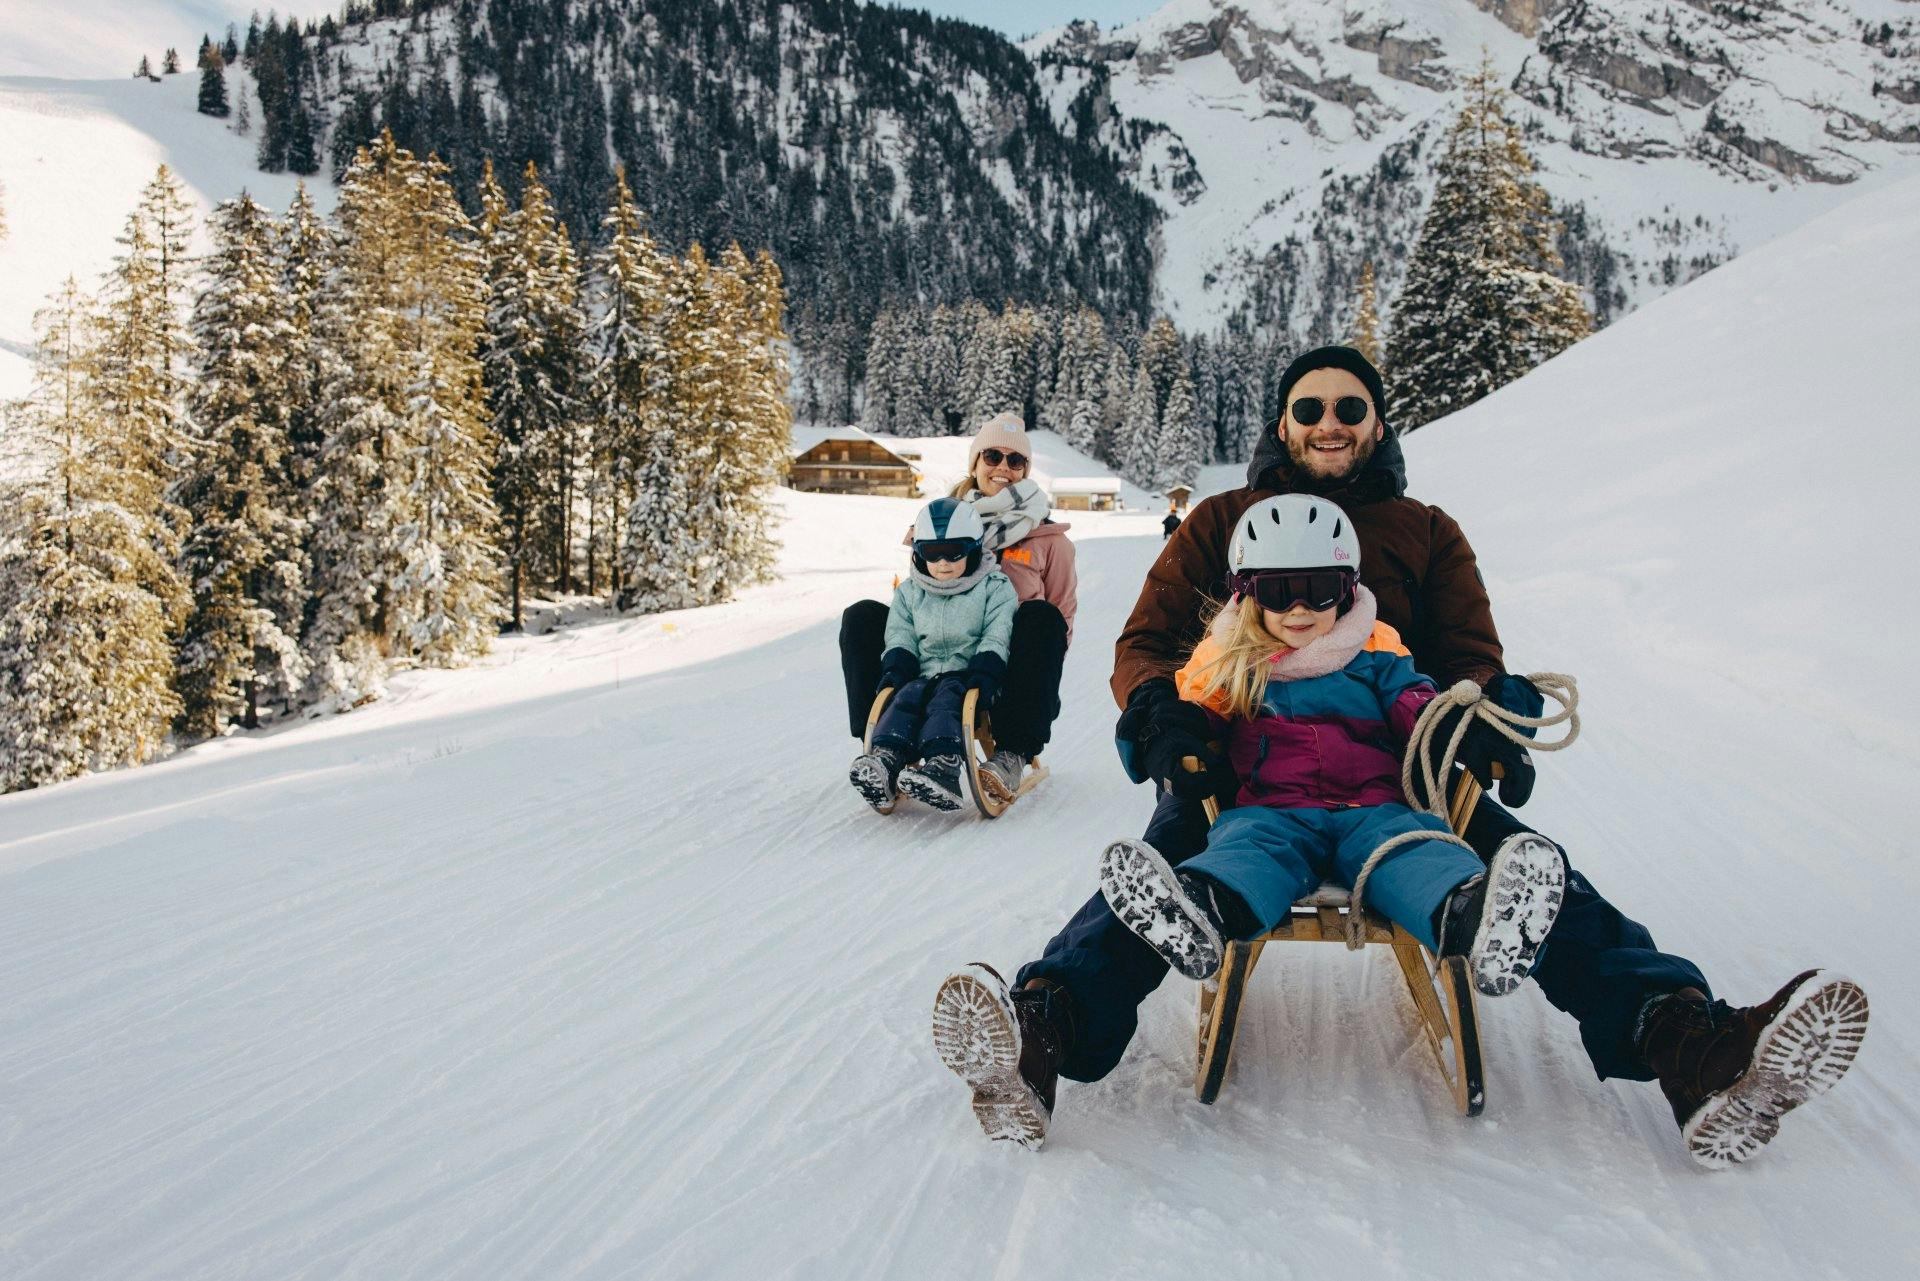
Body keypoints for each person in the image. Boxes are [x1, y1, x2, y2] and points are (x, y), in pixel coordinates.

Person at [930, 346, 1868, 1166]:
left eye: (1350, 407)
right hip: (1235, 759)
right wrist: (1162, 717)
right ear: (1283, 423)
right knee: (1179, 855)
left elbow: (1469, 654)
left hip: (1403, 769)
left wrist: (1486, 713)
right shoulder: (1222, 519)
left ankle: (1687, 1045)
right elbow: (1147, 640)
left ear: (1377, 423)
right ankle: (1042, 1030)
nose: (1330, 423)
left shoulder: (1426, 529)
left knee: (1515, 865)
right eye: (1311, 407)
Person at [1095, 494, 1565, 999]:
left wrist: (1460, 726)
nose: (1298, 608)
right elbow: (1195, 711)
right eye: (1278, 591)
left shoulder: (1376, 649)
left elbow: (1417, 706)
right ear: (1248, 592)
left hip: (1375, 805)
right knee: (1246, 850)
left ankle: (1474, 921)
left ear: (1347, 589)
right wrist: (1171, 734)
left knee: (1415, 850)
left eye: (1318, 589)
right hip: (1276, 810)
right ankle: (1203, 912)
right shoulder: (1232, 661)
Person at [841, 413, 1076, 799]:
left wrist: (1027, 676)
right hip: (937, 650)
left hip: (1005, 667)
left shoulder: (1050, 540)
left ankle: (1012, 752)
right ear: (975, 462)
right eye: (993, 456)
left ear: (1026, 470)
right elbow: (917, 594)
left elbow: (1063, 620)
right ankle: (881, 745)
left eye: (1015, 461)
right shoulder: (939, 521)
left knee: (1043, 618)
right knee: (862, 617)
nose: (1003, 467)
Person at [849, 497, 1017, 812]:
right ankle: (886, 762)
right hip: (922, 674)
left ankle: (945, 766)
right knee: (903, 700)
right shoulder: (910, 591)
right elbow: (901, 633)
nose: (943, 563)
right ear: (918, 553)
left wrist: (985, 672)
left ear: (974, 548)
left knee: (945, 703)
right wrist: (896, 669)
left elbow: (997, 631)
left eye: (954, 552)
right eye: (932, 553)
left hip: (964, 676)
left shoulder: (994, 587)